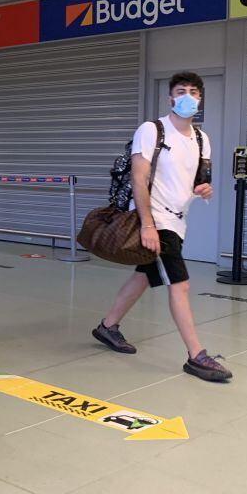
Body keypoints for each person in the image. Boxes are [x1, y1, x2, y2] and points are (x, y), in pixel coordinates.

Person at [92, 71, 233, 382]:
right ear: (170, 97)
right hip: (155, 219)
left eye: (193, 92)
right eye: (181, 91)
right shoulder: (152, 130)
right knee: (179, 284)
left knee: (144, 275)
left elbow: (201, 180)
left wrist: (204, 189)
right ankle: (196, 356)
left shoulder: (201, 138)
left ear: (200, 98)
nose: (187, 96)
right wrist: (147, 225)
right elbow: (139, 179)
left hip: (178, 220)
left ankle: (108, 327)